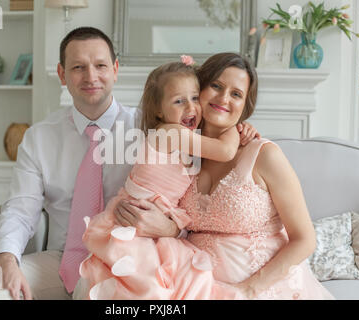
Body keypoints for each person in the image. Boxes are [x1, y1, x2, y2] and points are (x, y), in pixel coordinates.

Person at [0, 27, 257, 300]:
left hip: (134, 258)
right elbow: (20, 210)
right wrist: (6, 260)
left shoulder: (153, 128)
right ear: (62, 74)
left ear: (115, 69)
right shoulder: (39, 137)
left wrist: (171, 228)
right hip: (62, 260)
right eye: (78, 67)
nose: (91, 76)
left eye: (100, 65)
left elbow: (192, 198)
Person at [116, 52, 335, 300]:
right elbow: (184, 227)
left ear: (245, 105)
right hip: (198, 288)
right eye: (216, 86)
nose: (223, 98)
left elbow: (305, 240)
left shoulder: (265, 155)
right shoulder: (182, 157)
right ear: (199, 88)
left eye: (236, 94)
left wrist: (249, 289)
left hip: (262, 291)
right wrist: (169, 229)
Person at [77, 60, 253, 299]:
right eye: (179, 101)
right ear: (159, 110)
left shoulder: (190, 143)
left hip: (156, 225)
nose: (190, 108)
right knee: (147, 288)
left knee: (184, 280)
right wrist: (236, 127)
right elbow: (225, 151)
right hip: (134, 223)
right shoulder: (170, 132)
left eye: (194, 98)